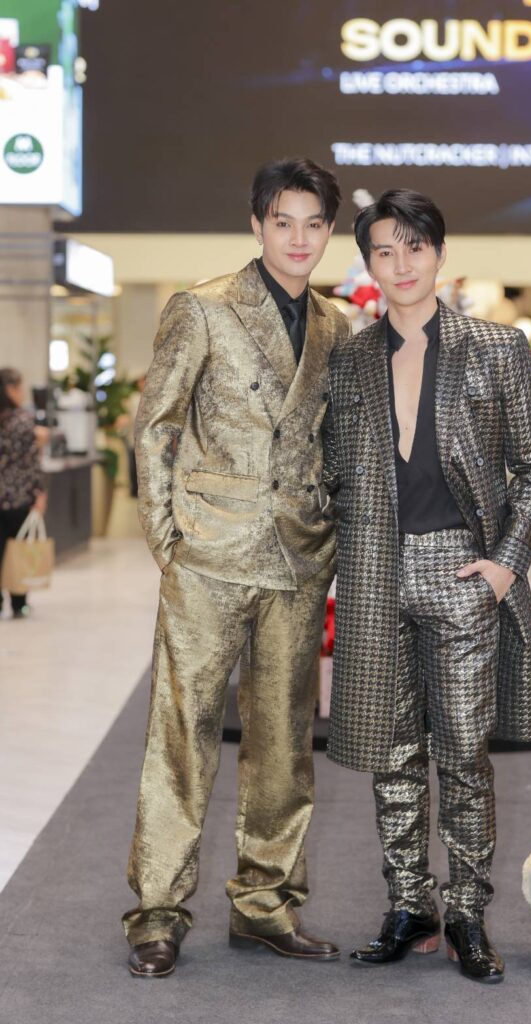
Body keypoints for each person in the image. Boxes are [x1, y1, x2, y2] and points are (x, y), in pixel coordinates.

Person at [123, 157, 351, 978]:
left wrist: (331, 529)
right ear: (257, 225)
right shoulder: (204, 307)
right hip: (209, 554)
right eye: (282, 222)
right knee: (181, 736)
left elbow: (335, 443)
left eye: (313, 224)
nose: (298, 238)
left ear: (329, 231)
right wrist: (167, 542)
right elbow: (155, 426)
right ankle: (156, 911)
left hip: (298, 556)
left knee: (284, 744)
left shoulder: (337, 326)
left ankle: (265, 903)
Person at [322, 190, 531, 983]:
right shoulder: (349, 357)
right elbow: (332, 472)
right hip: (372, 572)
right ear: (367, 263)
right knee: (391, 757)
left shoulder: (495, 347)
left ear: (439, 253)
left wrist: (505, 563)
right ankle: (409, 905)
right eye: (383, 251)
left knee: (461, 754)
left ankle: (466, 913)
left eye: (414, 247)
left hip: (462, 570)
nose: (401, 264)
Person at [0, 368, 49, 619]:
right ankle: (19, 603)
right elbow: (31, 462)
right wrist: (39, 493)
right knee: (18, 549)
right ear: (10, 389)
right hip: (18, 496)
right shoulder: (22, 420)